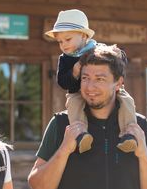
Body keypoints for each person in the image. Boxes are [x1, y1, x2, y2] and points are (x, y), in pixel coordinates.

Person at [28, 44, 147, 189]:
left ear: (118, 83)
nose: (90, 87)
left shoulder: (142, 128)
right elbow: (36, 185)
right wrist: (64, 150)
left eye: (99, 79)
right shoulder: (61, 124)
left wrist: (143, 154)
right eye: (85, 78)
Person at [45, 9, 137, 153]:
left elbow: (118, 61)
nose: (63, 45)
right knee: (74, 105)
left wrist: (119, 55)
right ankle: (81, 135)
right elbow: (62, 82)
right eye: (60, 42)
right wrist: (74, 72)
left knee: (127, 100)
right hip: (77, 92)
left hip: (108, 91)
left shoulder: (97, 48)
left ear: (83, 35)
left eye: (67, 39)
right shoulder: (65, 59)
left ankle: (129, 133)